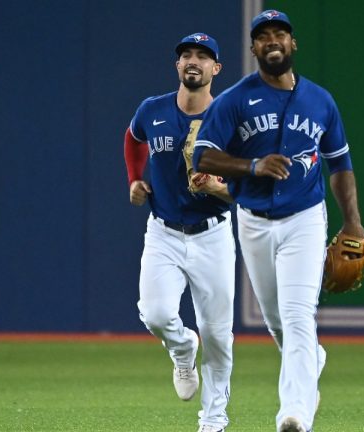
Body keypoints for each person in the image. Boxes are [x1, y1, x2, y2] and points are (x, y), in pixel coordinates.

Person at [191, 10, 364, 432]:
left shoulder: (321, 100)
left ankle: (295, 414)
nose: (272, 40)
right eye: (263, 35)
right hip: (253, 220)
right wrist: (252, 166)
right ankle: (311, 362)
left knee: (297, 313)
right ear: (253, 48)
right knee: (277, 321)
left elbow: (340, 165)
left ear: (293, 44)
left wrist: (353, 223)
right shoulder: (235, 99)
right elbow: (203, 156)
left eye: (280, 34)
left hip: (305, 218)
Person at [123, 33, 235, 432]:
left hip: (213, 234)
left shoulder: (229, 117)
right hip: (164, 232)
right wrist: (135, 179)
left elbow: (247, 184)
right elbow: (133, 138)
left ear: (216, 69)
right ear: (177, 65)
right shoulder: (152, 110)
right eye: (186, 54)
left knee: (219, 335)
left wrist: (218, 187)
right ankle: (183, 348)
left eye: (203, 56)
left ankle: (214, 421)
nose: (193, 60)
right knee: (155, 313)